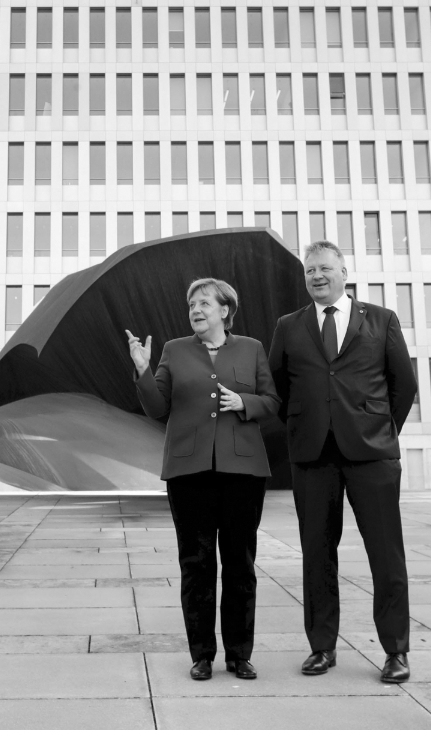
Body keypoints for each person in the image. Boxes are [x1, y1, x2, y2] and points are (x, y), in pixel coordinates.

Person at [268, 240, 418, 683]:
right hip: (313, 458)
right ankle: (322, 647)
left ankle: (395, 652)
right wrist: (301, 425)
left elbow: (403, 386)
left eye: (325, 269)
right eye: (310, 270)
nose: (317, 276)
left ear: (344, 273)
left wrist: (379, 429)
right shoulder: (288, 326)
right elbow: (278, 388)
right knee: (316, 554)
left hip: (371, 455)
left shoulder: (381, 320)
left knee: (385, 555)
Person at [127, 278, 280, 682]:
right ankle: (201, 654)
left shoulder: (251, 349)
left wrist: (244, 402)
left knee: (240, 564)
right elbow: (156, 405)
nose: (196, 309)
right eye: (192, 304)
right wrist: (143, 369)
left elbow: (273, 401)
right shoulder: (174, 351)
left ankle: (239, 654)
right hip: (188, 472)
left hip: (243, 473)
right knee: (196, 565)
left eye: (205, 303)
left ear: (225, 310)